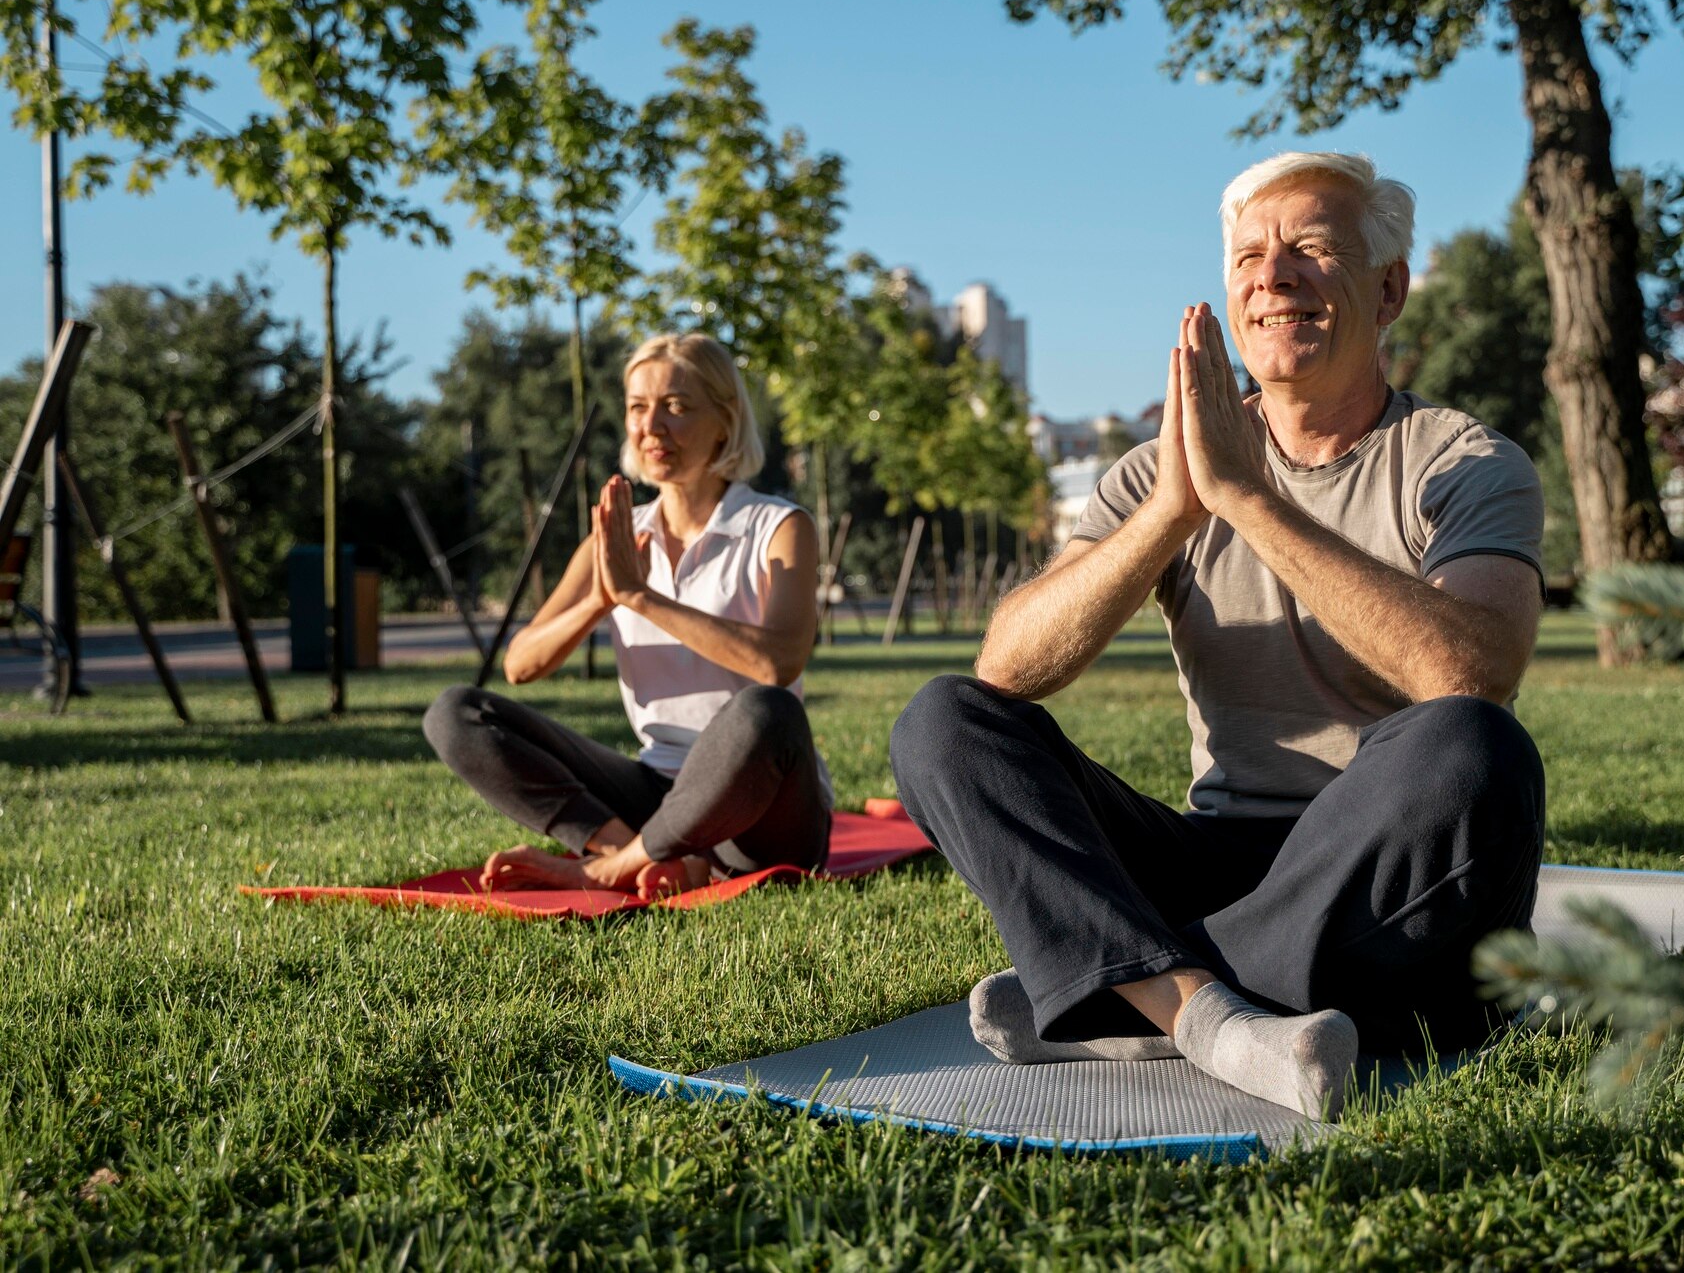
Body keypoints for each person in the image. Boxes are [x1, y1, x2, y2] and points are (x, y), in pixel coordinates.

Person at [889, 152, 1547, 1120]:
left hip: (1384, 868)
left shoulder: (1463, 462)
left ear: (1388, 290)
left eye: (1312, 249)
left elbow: (1470, 669)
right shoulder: (1164, 471)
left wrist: (1245, 498)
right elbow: (1009, 667)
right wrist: (1171, 512)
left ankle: (1119, 991)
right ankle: (1201, 1011)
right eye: (1247, 258)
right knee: (943, 719)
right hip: (1216, 857)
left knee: (1474, 746)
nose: (1272, 276)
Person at [424, 332, 831, 899]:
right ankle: (632, 852)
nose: (651, 427)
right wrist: (601, 598)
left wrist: (641, 598)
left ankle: (609, 869)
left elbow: (778, 663)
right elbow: (520, 665)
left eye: (676, 407)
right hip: (655, 790)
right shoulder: (617, 539)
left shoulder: (779, 527)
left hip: (762, 814)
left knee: (768, 710)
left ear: (726, 420)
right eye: (638, 407)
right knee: (455, 712)